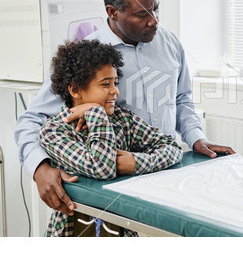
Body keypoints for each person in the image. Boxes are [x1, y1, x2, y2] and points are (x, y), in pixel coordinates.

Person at [15, 0, 234, 217]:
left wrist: (196, 138)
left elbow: (181, 98)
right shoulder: (88, 58)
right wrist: (39, 168)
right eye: (142, 14)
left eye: (156, 8)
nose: (154, 20)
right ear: (113, 12)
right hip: (114, 187)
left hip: (165, 167)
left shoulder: (170, 43)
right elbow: (32, 119)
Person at [39, 39, 183, 236]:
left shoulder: (123, 120)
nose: (115, 90)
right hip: (74, 230)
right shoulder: (55, 131)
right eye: (105, 84)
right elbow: (101, 168)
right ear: (75, 90)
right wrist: (97, 114)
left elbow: (172, 147)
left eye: (115, 82)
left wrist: (136, 162)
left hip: (121, 229)